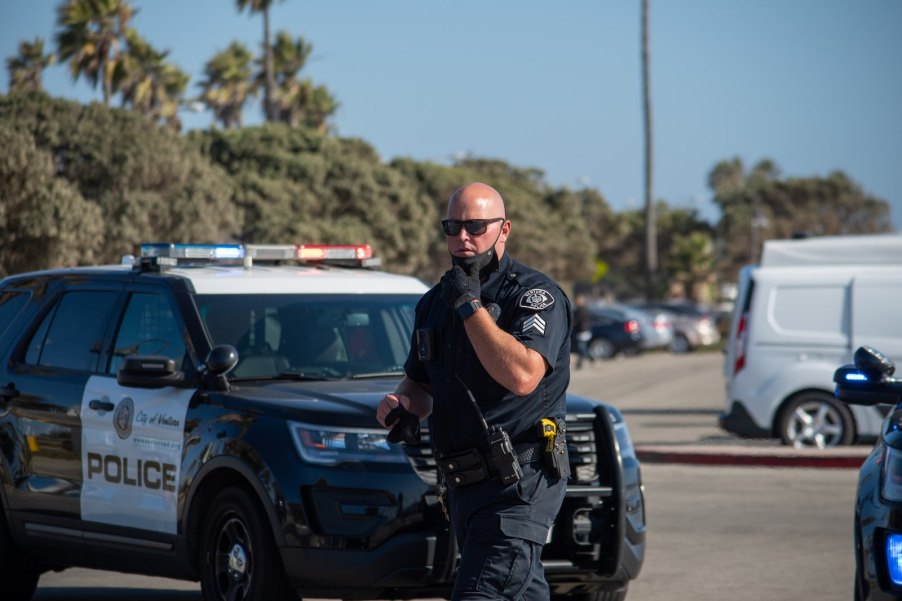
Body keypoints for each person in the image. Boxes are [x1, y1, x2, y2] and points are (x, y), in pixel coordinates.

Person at [376, 182, 573, 600]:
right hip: (464, 490)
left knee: (481, 593)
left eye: (475, 226)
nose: (462, 237)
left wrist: (470, 308)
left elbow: (523, 376)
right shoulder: (434, 302)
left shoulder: (534, 296)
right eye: (452, 226)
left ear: (504, 230)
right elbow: (420, 381)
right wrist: (405, 404)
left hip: (517, 487)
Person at [573, 293, 594, 369]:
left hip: (583, 332)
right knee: (582, 348)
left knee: (582, 348)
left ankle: (591, 359)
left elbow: (576, 321)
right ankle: (580, 364)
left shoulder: (581, 311)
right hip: (582, 331)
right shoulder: (579, 310)